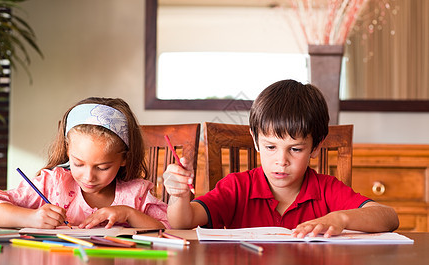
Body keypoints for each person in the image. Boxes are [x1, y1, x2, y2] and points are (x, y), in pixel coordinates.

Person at [163, 79, 399, 237]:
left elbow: (389, 217)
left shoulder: (326, 189)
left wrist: (339, 218)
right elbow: (183, 221)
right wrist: (178, 196)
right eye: (270, 147)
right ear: (256, 141)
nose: (281, 160)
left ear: (315, 147)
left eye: (295, 149)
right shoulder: (237, 187)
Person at [0, 97, 168, 229]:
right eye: (78, 163)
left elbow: (170, 228)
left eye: (102, 167)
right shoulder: (52, 184)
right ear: (68, 150)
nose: (88, 177)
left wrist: (129, 214)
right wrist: (31, 218)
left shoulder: (136, 194)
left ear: (124, 158)